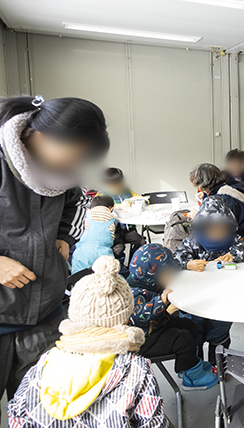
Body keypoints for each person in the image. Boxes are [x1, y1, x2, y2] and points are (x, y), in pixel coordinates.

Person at [0, 95, 109, 411]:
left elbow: (79, 203)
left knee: (44, 409)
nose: (73, 166)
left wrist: (64, 237)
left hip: (45, 315)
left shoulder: (64, 174)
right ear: (40, 135)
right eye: (72, 155)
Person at [7, 256, 165, 427]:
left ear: (74, 312)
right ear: (126, 317)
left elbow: (17, 414)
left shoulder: (45, 362)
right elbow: (154, 423)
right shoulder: (137, 369)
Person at [175, 196, 244, 366]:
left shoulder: (233, 240)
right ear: (201, 227)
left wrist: (232, 255)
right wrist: (188, 264)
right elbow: (175, 258)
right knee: (192, 331)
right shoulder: (192, 242)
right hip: (195, 296)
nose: (217, 233)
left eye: (222, 228)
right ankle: (195, 367)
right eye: (211, 229)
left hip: (222, 298)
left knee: (219, 331)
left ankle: (218, 365)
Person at [127, 244, 218, 391]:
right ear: (151, 276)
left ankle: (188, 365)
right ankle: (192, 377)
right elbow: (138, 317)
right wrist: (161, 302)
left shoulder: (148, 283)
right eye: (167, 274)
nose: (172, 277)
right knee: (182, 339)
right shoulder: (132, 293)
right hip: (143, 339)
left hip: (156, 325)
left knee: (188, 325)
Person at [189, 163, 244, 236]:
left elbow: (216, 230)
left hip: (236, 236)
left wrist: (197, 217)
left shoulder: (221, 201)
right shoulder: (233, 185)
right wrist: (206, 194)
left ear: (203, 184)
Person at [100, 167, 146, 264]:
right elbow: (100, 210)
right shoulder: (102, 196)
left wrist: (139, 202)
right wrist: (120, 206)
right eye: (112, 186)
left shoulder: (127, 191)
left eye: (118, 185)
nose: (116, 188)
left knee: (140, 241)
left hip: (128, 230)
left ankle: (134, 262)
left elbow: (143, 199)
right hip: (114, 233)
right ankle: (119, 266)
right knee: (119, 248)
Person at [71, 195, 116, 274]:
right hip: (104, 253)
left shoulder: (86, 214)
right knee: (108, 275)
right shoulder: (113, 218)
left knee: (78, 275)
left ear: (91, 208)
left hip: (83, 252)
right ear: (111, 208)